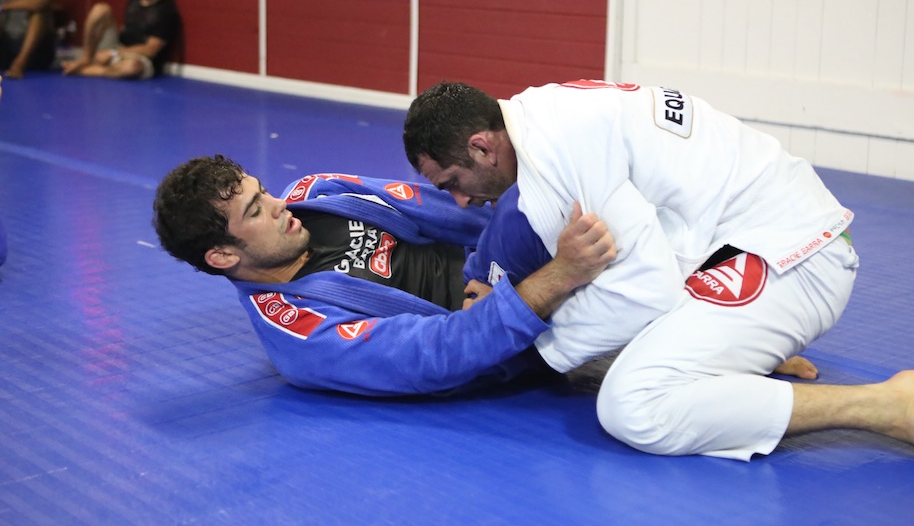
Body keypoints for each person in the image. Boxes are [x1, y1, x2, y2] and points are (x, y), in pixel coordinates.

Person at [403, 79, 914, 484]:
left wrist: (524, 342)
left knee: (631, 406)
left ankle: (885, 405)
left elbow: (644, 292)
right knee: (595, 315)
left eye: (452, 179)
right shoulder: (543, 115)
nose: (459, 198)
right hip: (743, 241)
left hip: (797, 255)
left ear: (483, 146)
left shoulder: (559, 150)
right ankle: (736, 350)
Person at [152, 155, 617, 396]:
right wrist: (556, 275)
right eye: (256, 211)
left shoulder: (318, 194)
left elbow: (445, 207)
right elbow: (439, 355)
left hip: (499, 266)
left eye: (264, 191)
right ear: (221, 256)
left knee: (533, 190)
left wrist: (522, 235)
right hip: (500, 328)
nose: (279, 205)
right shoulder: (301, 336)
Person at [62, 0, 178, 79]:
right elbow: (127, 28)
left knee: (131, 67)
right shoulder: (134, 1)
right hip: (119, 47)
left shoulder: (165, 11)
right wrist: (108, 44)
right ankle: (86, 58)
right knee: (100, 9)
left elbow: (150, 49)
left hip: (139, 57)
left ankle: (86, 70)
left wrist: (113, 53)